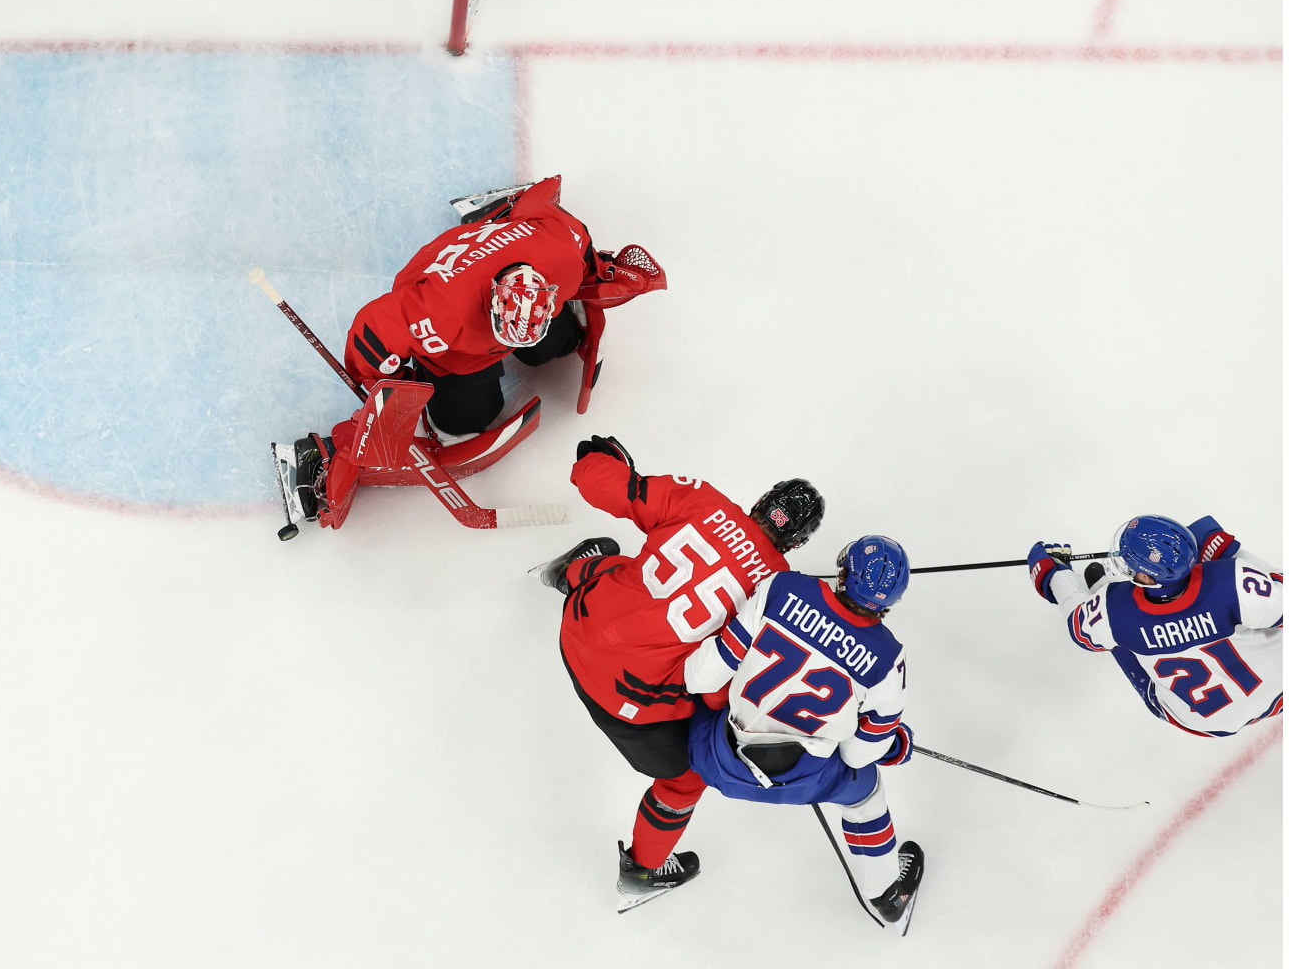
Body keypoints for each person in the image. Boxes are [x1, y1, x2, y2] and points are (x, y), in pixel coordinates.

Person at [535, 434, 825, 912]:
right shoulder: (776, 594)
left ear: (760, 501)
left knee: (627, 569)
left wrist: (597, 461)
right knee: (685, 780)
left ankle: (570, 572)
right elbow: (716, 690)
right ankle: (642, 872)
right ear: (797, 542)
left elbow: (602, 484)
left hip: (578, 628)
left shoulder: (702, 500)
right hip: (625, 701)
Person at [291, 176, 665, 529]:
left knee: (555, 345)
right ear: (495, 302)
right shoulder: (439, 312)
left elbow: (546, 211)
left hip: (512, 285)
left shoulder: (563, 255)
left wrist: (522, 209)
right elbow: (371, 332)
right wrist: (388, 382)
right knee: (469, 419)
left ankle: (502, 218)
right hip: (452, 315)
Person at [676, 535, 926, 930]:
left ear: (844, 574)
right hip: (805, 779)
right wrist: (891, 743)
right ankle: (886, 895)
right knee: (867, 797)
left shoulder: (783, 587)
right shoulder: (888, 657)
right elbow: (858, 754)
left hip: (718, 759)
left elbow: (700, 676)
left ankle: (649, 852)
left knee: (685, 730)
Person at [1028, 515, 1283, 737]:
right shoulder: (1232, 578)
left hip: (1208, 722)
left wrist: (1055, 576)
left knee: (1113, 632)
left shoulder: (1113, 609)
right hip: (1281, 691)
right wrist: (1231, 554)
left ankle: (1100, 588)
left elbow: (1079, 627)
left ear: (1148, 577)